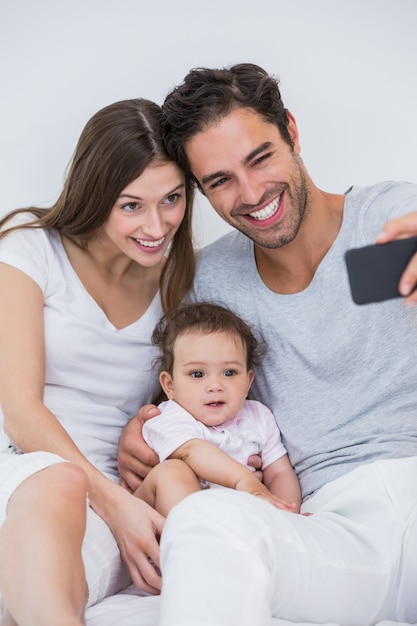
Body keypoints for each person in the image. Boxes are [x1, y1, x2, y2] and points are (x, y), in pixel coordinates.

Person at [117, 64, 417, 626]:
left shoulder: (390, 218)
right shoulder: (209, 283)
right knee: (206, 522)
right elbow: (182, 396)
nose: (252, 194)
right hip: (330, 527)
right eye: (220, 181)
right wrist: (144, 426)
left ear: (293, 133)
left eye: (260, 158)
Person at [0, 97, 195, 626]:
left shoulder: (179, 281)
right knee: (57, 481)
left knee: (49, 593)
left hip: (115, 507)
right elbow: (19, 409)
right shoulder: (29, 252)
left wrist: (150, 421)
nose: (157, 225)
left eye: (172, 199)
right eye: (131, 205)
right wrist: (110, 499)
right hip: (25, 472)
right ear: (96, 193)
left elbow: (192, 389)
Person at [135, 301, 301, 516]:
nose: (215, 386)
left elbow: (279, 472)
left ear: (248, 381)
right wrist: (245, 481)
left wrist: (287, 514)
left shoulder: (258, 416)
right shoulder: (169, 416)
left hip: (231, 522)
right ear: (170, 385)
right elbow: (192, 451)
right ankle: (187, 545)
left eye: (229, 372)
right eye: (197, 374)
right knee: (172, 472)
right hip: (166, 518)